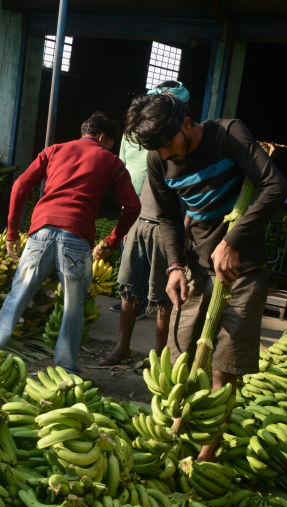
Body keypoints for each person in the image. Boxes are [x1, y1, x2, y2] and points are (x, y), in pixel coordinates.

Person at [124, 93, 287, 460]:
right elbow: (168, 216)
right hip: (197, 271)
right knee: (178, 356)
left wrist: (233, 240)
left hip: (244, 274)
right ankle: (167, 435)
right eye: (159, 151)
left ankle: (205, 456)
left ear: (187, 123)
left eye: (169, 145)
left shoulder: (228, 134)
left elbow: (275, 185)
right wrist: (174, 266)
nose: (166, 155)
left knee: (223, 370)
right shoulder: (158, 158)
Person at [0, 112, 141, 374]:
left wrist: (11, 231)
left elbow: (20, 185)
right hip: (76, 239)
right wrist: (111, 240)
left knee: (17, 297)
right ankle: (65, 368)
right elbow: (132, 206)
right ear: (102, 137)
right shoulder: (111, 161)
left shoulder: (54, 150)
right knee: (73, 308)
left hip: (40, 234)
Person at [101, 80, 190, 366]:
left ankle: (158, 355)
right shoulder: (139, 135)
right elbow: (123, 170)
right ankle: (122, 347)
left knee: (163, 294)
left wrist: (185, 229)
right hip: (138, 218)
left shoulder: (179, 140)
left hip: (167, 225)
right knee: (129, 287)